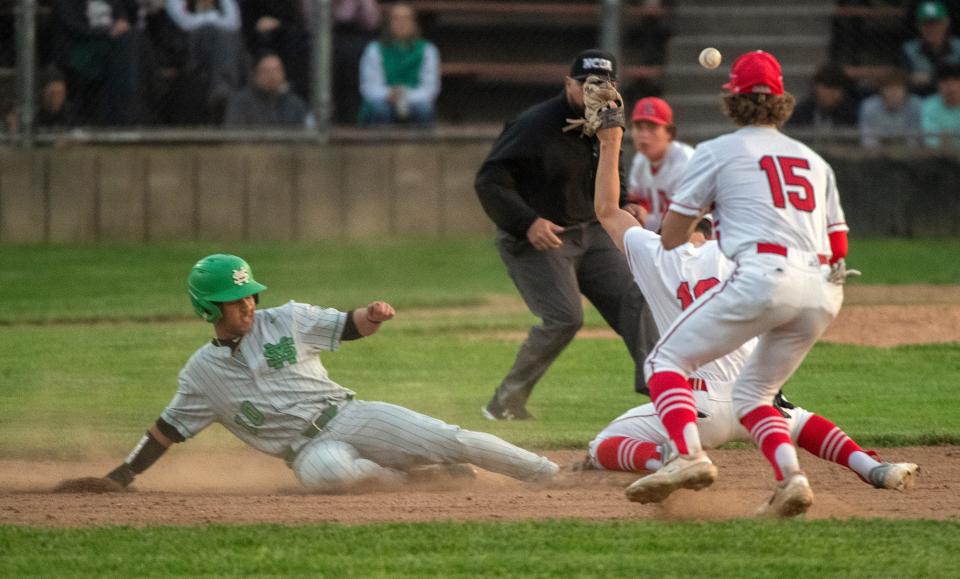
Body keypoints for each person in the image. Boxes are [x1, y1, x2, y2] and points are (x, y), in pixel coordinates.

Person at [588, 129, 918, 493]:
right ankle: (873, 467)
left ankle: (664, 458)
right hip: (754, 394)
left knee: (602, 445)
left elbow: (607, 210)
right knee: (799, 420)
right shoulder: (746, 258)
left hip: (692, 405)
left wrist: (611, 139)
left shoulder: (655, 253)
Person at [91, 254, 559, 493]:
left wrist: (372, 315)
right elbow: (165, 431)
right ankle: (426, 479)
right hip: (307, 451)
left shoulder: (286, 319)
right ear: (207, 308)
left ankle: (547, 474)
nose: (249, 304)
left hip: (346, 416)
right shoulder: (201, 376)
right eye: (237, 300)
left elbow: (349, 326)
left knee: (449, 438)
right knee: (335, 477)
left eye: (251, 294)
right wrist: (121, 476)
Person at [622, 50, 856, 518]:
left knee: (664, 360)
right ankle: (791, 481)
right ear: (783, 102)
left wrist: (706, 215)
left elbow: (670, 237)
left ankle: (689, 456)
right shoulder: (815, 161)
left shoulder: (716, 151)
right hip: (825, 292)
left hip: (766, 278)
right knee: (754, 395)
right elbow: (840, 245)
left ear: (732, 98)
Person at [474, 48, 659, 420]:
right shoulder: (534, 125)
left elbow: (610, 170)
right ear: (568, 84)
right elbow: (489, 181)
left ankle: (663, 394)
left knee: (637, 299)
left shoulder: (607, 120)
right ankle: (504, 402)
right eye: (588, 84)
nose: (596, 92)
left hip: (591, 231)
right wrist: (527, 222)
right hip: (540, 236)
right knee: (564, 317)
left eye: (604, 84)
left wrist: (624, 203)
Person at [53, 0, 139, 125]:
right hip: (82, 46)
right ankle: (124, 115)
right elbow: (72, 26)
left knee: (132, 41)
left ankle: (127, 112)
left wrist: (121, 25)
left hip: (114, 44)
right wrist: (107, 32)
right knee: (126, 48)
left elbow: (124, 16)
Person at [164, 0, 248, 123]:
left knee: (227, 38)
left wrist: (210, 22)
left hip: (219, 46)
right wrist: (213, 18)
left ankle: (222, 95)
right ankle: (221, 90)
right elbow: (186, 23)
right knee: (214, 34)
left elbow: (233, 23)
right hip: (187, 47)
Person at [358, 2, 440, 127]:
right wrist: (388, 95)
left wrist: (403, 96)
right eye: (396, 19)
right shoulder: (374, 49)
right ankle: (378, 146)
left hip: (414, 100)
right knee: (380, 110)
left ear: (414, 23)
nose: (401, 23)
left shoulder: (428, 50)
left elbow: (430, 90)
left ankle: (420, 146)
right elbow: (369, 88)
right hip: (383, 100)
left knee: (424, 110)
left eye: (406, 18)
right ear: (388, 23)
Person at [625, 97, 694, 232]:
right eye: (639, 127)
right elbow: (637, 200)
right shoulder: (640, 160)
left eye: (652, 128)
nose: (644, 135)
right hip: (661, 236)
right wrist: (636, 210)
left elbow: (685, 215)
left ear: (669, 133)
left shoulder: (686, 160)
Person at [240, 0, 311, 101]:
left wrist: (279, 24)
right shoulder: (249, 3)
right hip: (258, 39)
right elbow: (246, 27)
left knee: (299, 43)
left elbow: (296, 22)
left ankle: (291, 86)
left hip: (287, 37)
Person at [224, 52, 311, 127]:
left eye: (277, 70)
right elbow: (235, 136)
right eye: (266, 71)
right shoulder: (242, 103)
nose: (272, 76)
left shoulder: (295, 104)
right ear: (255, 75)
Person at [333, 0, 382, 125]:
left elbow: (372, 22)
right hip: (323, 37)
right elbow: (310, 21)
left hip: (357, 37)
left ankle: (354, 115)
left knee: (356, 54)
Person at [902, 0, 960, 96]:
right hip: (922, 99)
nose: (932, 29)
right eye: (926, 24)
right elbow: (903, 80)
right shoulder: (908, 50)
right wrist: (910, 78)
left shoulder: (959, 47)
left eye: (937, 23)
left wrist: (930, 78)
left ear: (947, 23)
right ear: (918, 26)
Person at [858, 69, 924, 147]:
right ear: (881, 91)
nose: (894, 93)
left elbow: (916, 139)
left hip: (910, 154)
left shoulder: (916, 106)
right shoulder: (869, 107)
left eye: (898, 88)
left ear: (906, 91)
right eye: (889, 88)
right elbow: (868, 140)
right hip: (877, 154)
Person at [789, 64, 859, 130]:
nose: (832, 94)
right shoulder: (799, 113)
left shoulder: (848, 115)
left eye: (836, 88)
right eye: (828, 87)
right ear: (815, 87)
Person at [921, 62, 960, 147]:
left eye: (956, 80)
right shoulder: (929, 106)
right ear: (937, 85)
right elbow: (931, 142)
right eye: (945, 81)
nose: (951, 86)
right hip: (940, 157)